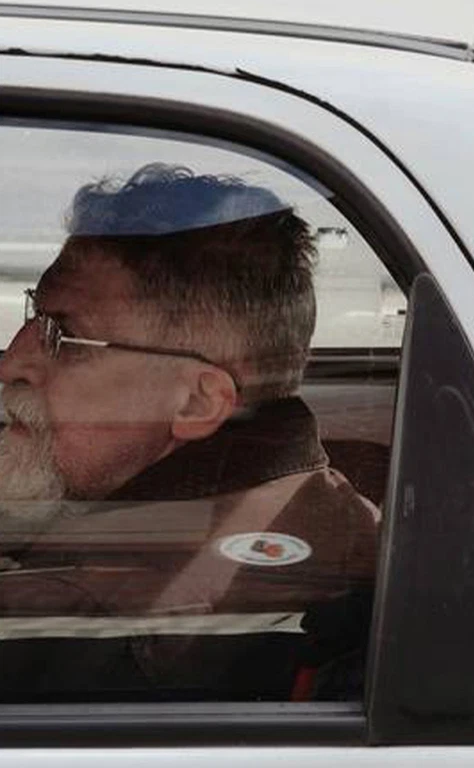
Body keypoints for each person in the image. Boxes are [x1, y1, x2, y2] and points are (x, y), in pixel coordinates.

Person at [0, 164, 379, 701]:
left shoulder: (78, 621)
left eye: (61, 335)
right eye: (33, 317)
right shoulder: (323, 505)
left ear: (198, 402)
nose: (11, 362)